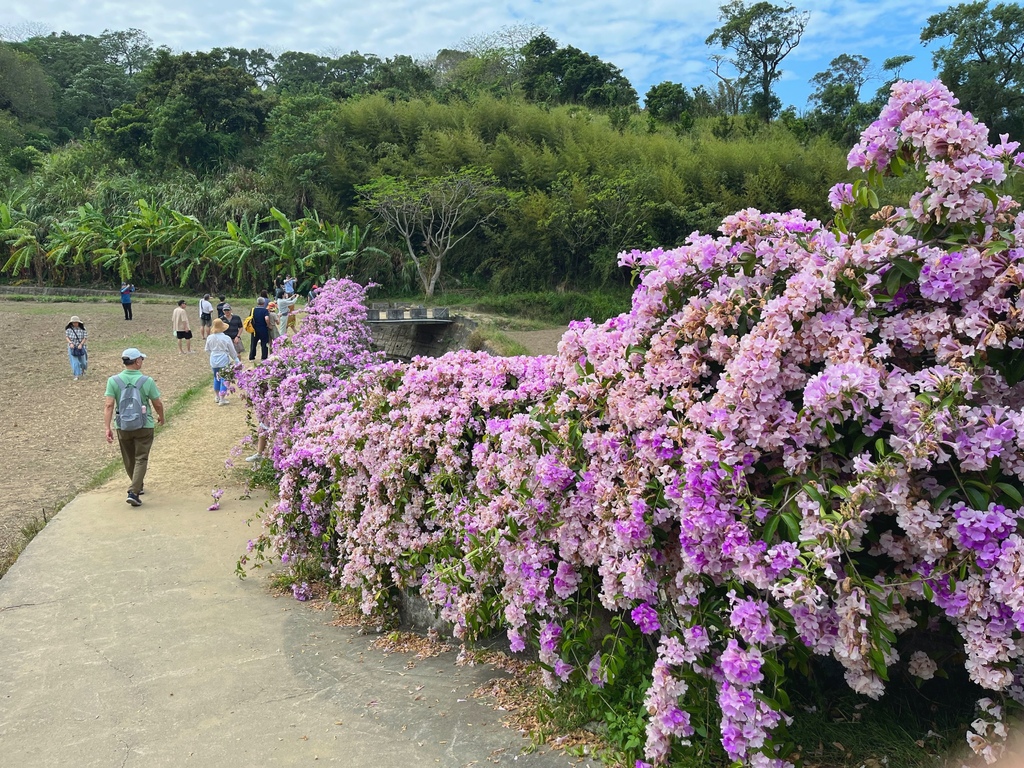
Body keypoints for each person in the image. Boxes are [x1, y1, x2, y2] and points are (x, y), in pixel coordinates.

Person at [104, 348, 164, 507]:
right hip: (144, 424)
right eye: (141, 359)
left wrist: (107, 427)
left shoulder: (113, 381)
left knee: (129, 458)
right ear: (137, 361)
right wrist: (161, 416)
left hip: (122, 425)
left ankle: (137, 485)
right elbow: (157, 403)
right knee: (141, 457)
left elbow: (109, 405)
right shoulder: (147, 381)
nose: (142, 362)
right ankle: (134, 491)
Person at [205, 318, 240, 404]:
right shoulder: (226, 338)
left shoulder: (210, 337)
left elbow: (207, 349)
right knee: (225, 378)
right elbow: (232, 350)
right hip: (223, 358)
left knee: (216, 377)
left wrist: (213, 353)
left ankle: (217, 396)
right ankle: (222, 398)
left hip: (213, 358)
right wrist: (236, 359)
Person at [65, 315, 88, 381]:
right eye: (73, 322)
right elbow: (67, 337)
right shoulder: (69, 330)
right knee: (75, 362)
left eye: (76, 322)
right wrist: (70, 343)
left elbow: (85, 337)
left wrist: (81, 344)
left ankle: (83, 371)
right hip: (73, 347)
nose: (75, 324)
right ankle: (76, 375)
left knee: (83, 361)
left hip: (81, 347)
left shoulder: (83, 329)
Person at [249, 296, 271, 362]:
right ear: (264, 303)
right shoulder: (265, 310)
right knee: (264, 343)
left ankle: (252, 357)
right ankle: (264, 357)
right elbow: (266, 318)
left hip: (254, 329)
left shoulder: (253, 310)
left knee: (253, 343)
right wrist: (268, 324)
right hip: (263, 328)